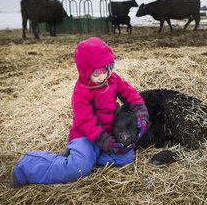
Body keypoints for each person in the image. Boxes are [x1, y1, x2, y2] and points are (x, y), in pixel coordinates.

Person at [10, 37, 149, 188]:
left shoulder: (114, 80)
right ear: (85, 71)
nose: (102, 78)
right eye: (96, 74)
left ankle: (85, 156)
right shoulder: (81, 92)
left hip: (108, 135)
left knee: (127, 157)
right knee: (77, 169)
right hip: (87, 137)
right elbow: (87, 123)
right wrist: (108, 144)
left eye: (106, 71)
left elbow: (133, 96)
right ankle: (27, 166)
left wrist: (141, 116)